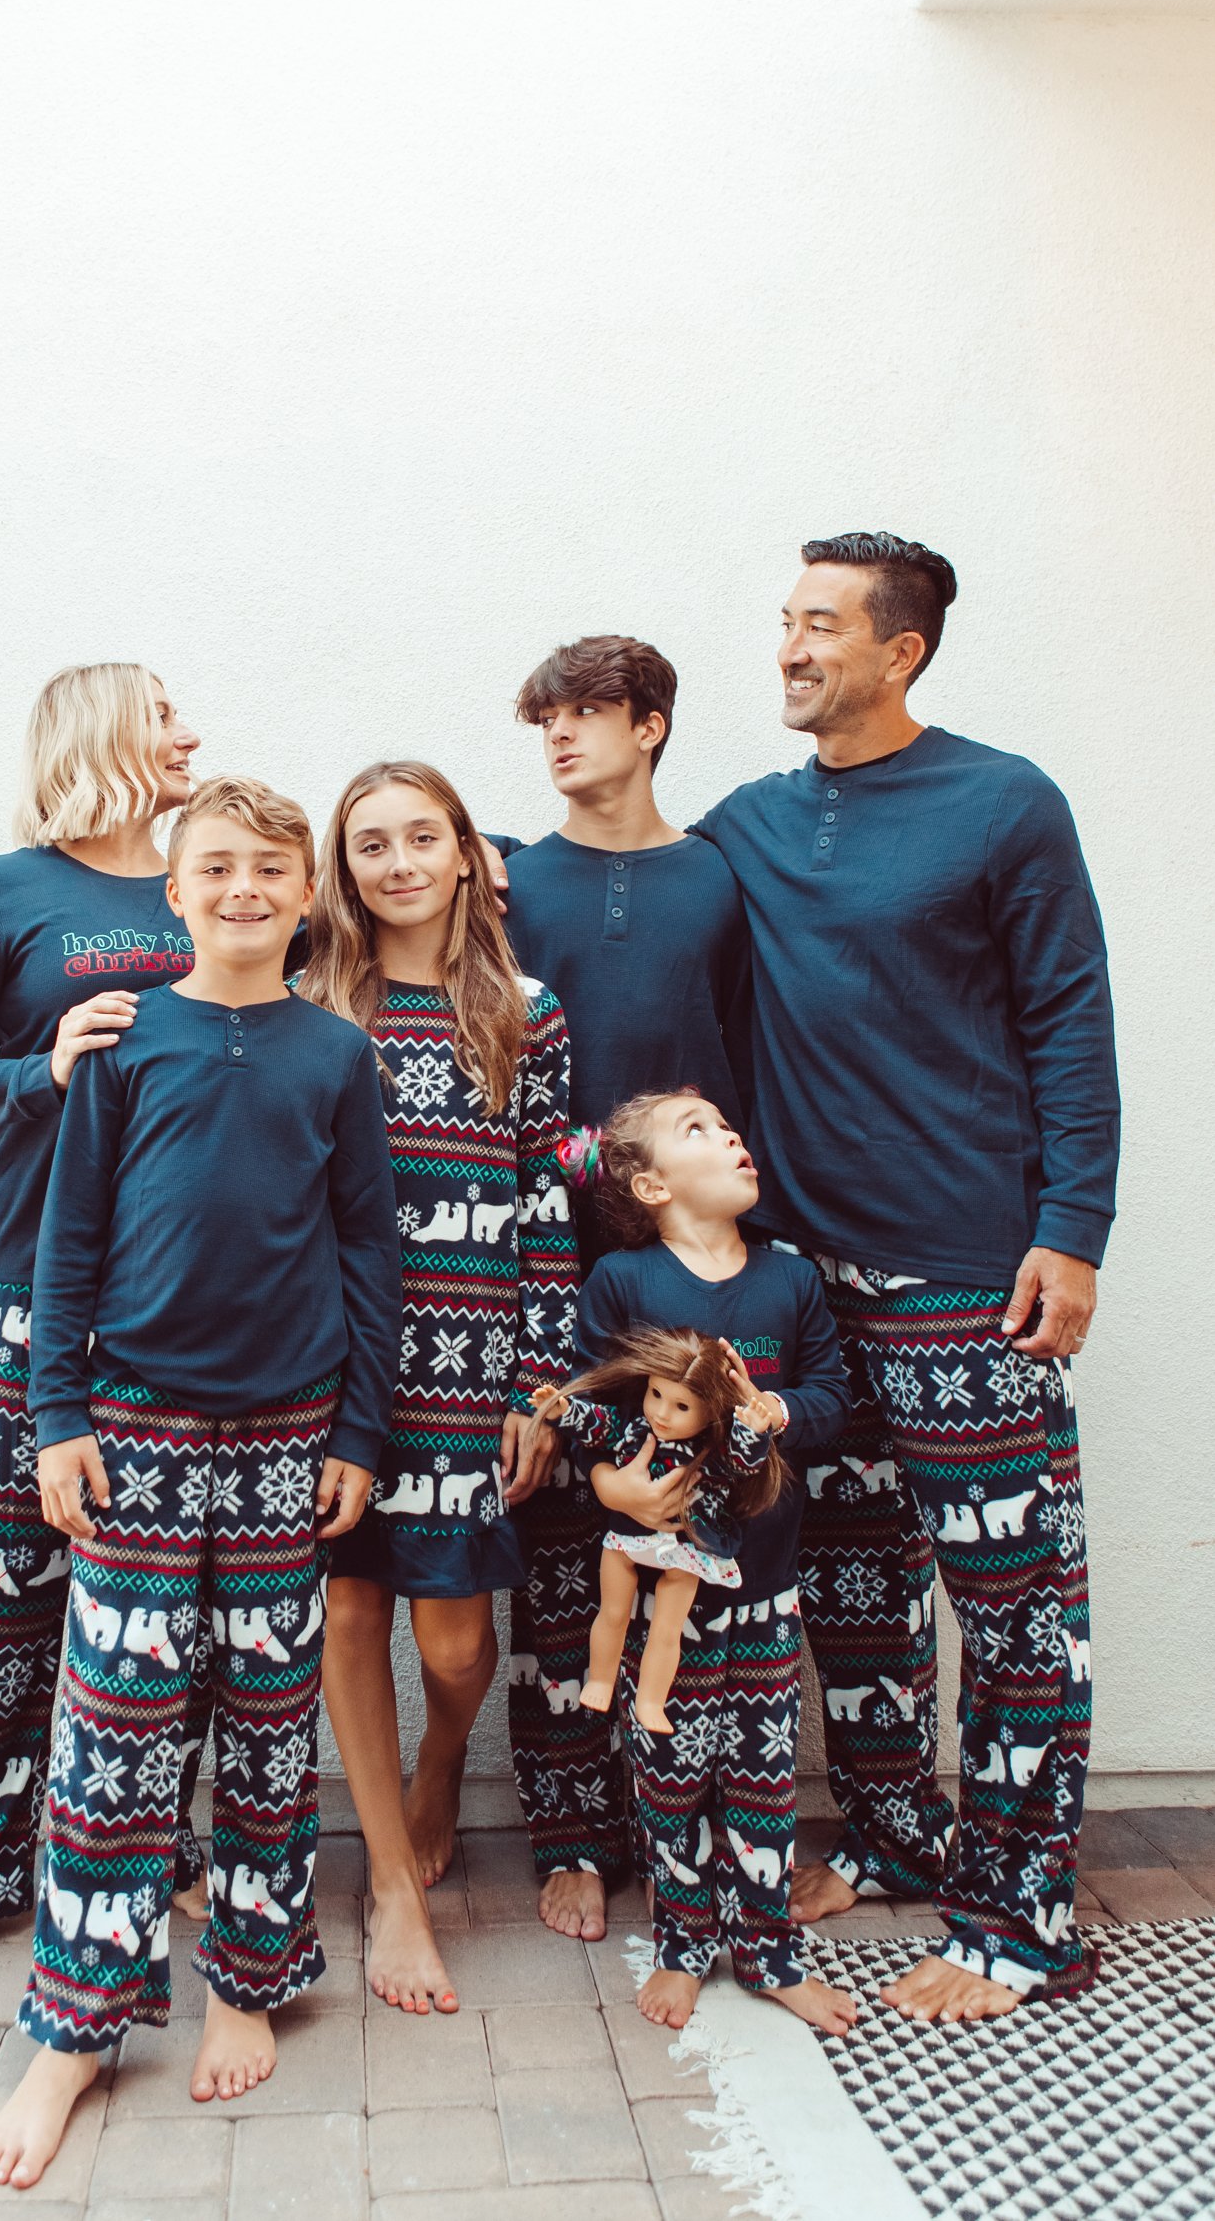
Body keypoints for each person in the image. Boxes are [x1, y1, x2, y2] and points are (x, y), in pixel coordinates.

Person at [694, 531, 1119, 2021]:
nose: (789, 649)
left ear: (899, 652)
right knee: (857, 1591)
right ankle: (890, 1840)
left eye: (819, 625)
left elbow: (1069, 1021)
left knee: (1010, 1608)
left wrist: (1069, 1230)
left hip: (963, 1275)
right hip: (804, 1281)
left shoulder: (1001, 804)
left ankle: (1019, 1918)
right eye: (783, 621)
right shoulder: (746, 821)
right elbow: (615, 900)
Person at [0, 776, 401, 2188]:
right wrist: (54, 1417)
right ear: (174, 891)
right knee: (116, 1733)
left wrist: (354, 1435)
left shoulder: (335, 1055)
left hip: (289, 1439)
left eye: (267, 871)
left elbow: (367, 1256)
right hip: (137, 1427)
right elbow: (65, 1237)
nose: (240, 891)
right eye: (212, 868)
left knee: (270, 1727)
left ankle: (248, 1975)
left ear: (302, 895)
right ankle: (75, 2030)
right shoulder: (116, 1040)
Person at [0, 662, 201, 1998]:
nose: (190, 732)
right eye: (166, 713)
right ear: (107, 736)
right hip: (26, 1283)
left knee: (151, 1601)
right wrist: (42, 1069)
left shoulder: (206, 884)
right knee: (4, 1585)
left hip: (175, 1299)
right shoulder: (4, 890)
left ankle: (152, 1852)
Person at [297, 762, 574, 2019]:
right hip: (339, 1363)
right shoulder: (314, 1002)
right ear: (340, 870)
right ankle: (393, 1896)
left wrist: (542, 1379)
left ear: (468, 853)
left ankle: (440, 1758)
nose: (398, 861)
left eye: (424, 836)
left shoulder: (524, 1009)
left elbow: (548, 1207)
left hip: (472, 1364)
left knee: (454, 1643)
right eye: (370, 843)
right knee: (350, 1614)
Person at [494, 634, 750, 1943]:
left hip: (690, 1270)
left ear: (648, 726)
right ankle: (571, 1840)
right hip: (548, 1262)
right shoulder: (510, 880)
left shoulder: (719, 876)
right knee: (556, 1555)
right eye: (544, 718)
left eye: (586, 714)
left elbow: (753, 1051)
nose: (557, 737)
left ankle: (686, 1826)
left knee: (697, 1539)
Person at [558, 1088, 857, 2037]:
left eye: (730, 1125)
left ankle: (768, 1952)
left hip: (765, 1591)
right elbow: (592, 1410)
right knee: (670, 1775)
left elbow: (832, 1399)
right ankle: (685, 1944)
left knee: (764, 1784)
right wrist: (612, 1487)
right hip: (658, 1599)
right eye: (700, 1130)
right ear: (650, 1183)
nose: (730, 1135)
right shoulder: (623, 1281)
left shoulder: (788, 1279)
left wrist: (775, 1413)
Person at [541, 1322, 780, 1733]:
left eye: (682, 1407)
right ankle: (600, 1678)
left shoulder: (711, 1450)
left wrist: (754, 1431)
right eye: (655, 1395)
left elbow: (744, 1460)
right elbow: (599, 1425)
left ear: (710, 1410)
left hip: (687, 1544)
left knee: (667, 1630)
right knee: (612, 1611)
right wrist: (566, 1411)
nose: (662, 1414)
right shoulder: (635, 1427)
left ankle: (651, 1702)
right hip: (626, 1536)